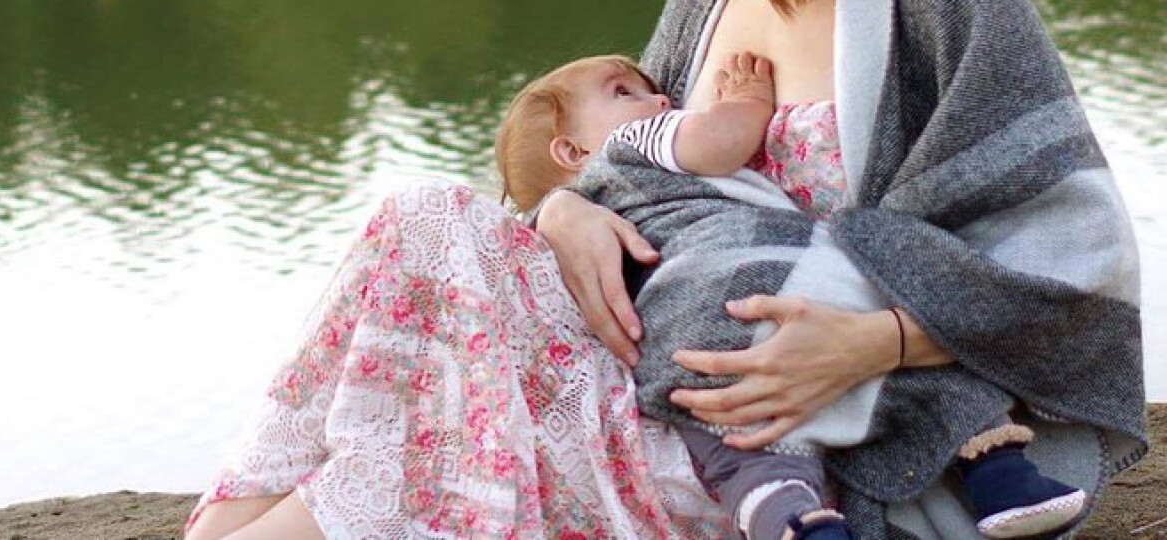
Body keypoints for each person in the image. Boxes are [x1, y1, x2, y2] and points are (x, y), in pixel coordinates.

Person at [184, 0, 1144, 538]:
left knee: (440, 437)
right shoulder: (702, 12)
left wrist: (875, 343)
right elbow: (629, 168)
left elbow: (1082, 265)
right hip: (669, 364)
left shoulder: (948, 16)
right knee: (425, 219)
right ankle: (235, 518)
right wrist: (564, 212)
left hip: (816, 434)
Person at [499, 49, 1087, 539]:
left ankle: (797, 523)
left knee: (741, 447)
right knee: (912, 374)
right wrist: (745, 102)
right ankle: (1004, 481)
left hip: (680, 347)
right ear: (572, 152)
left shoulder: (586, 226)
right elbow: (718, 142)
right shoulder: (633, 141)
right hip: (759, 278)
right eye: (624, 92)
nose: (659, 100)